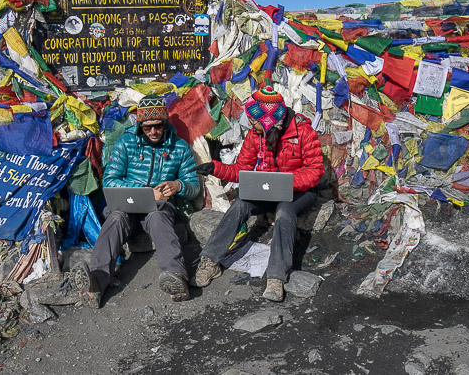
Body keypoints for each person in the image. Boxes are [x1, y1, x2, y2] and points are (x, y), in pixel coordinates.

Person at [191, 85, 324, 302]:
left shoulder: (302, 132)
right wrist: (215, 168)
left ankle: (276, 276)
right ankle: (210, 260)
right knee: (241, 202)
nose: (250, 124)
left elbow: (315, 171)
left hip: (298, 192)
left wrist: (285, 183)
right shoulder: (256, 135)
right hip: (267, 190)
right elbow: (242, 169)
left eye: (254, 120)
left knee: (284, 212)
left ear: (269, 120)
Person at [72, 95, 200, 307]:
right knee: (116, 218)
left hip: (159, 207)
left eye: (158, 126)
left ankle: (176, 276)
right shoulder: (126, 143)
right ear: (140, 125)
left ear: (165, 122)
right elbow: (110, 180)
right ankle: (97, 281)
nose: (153, 132)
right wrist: (146, 191)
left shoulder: (179, 147)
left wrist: (178, 186)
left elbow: (193, 186)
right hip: (127, 205)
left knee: (159, 217)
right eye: (147, 127)